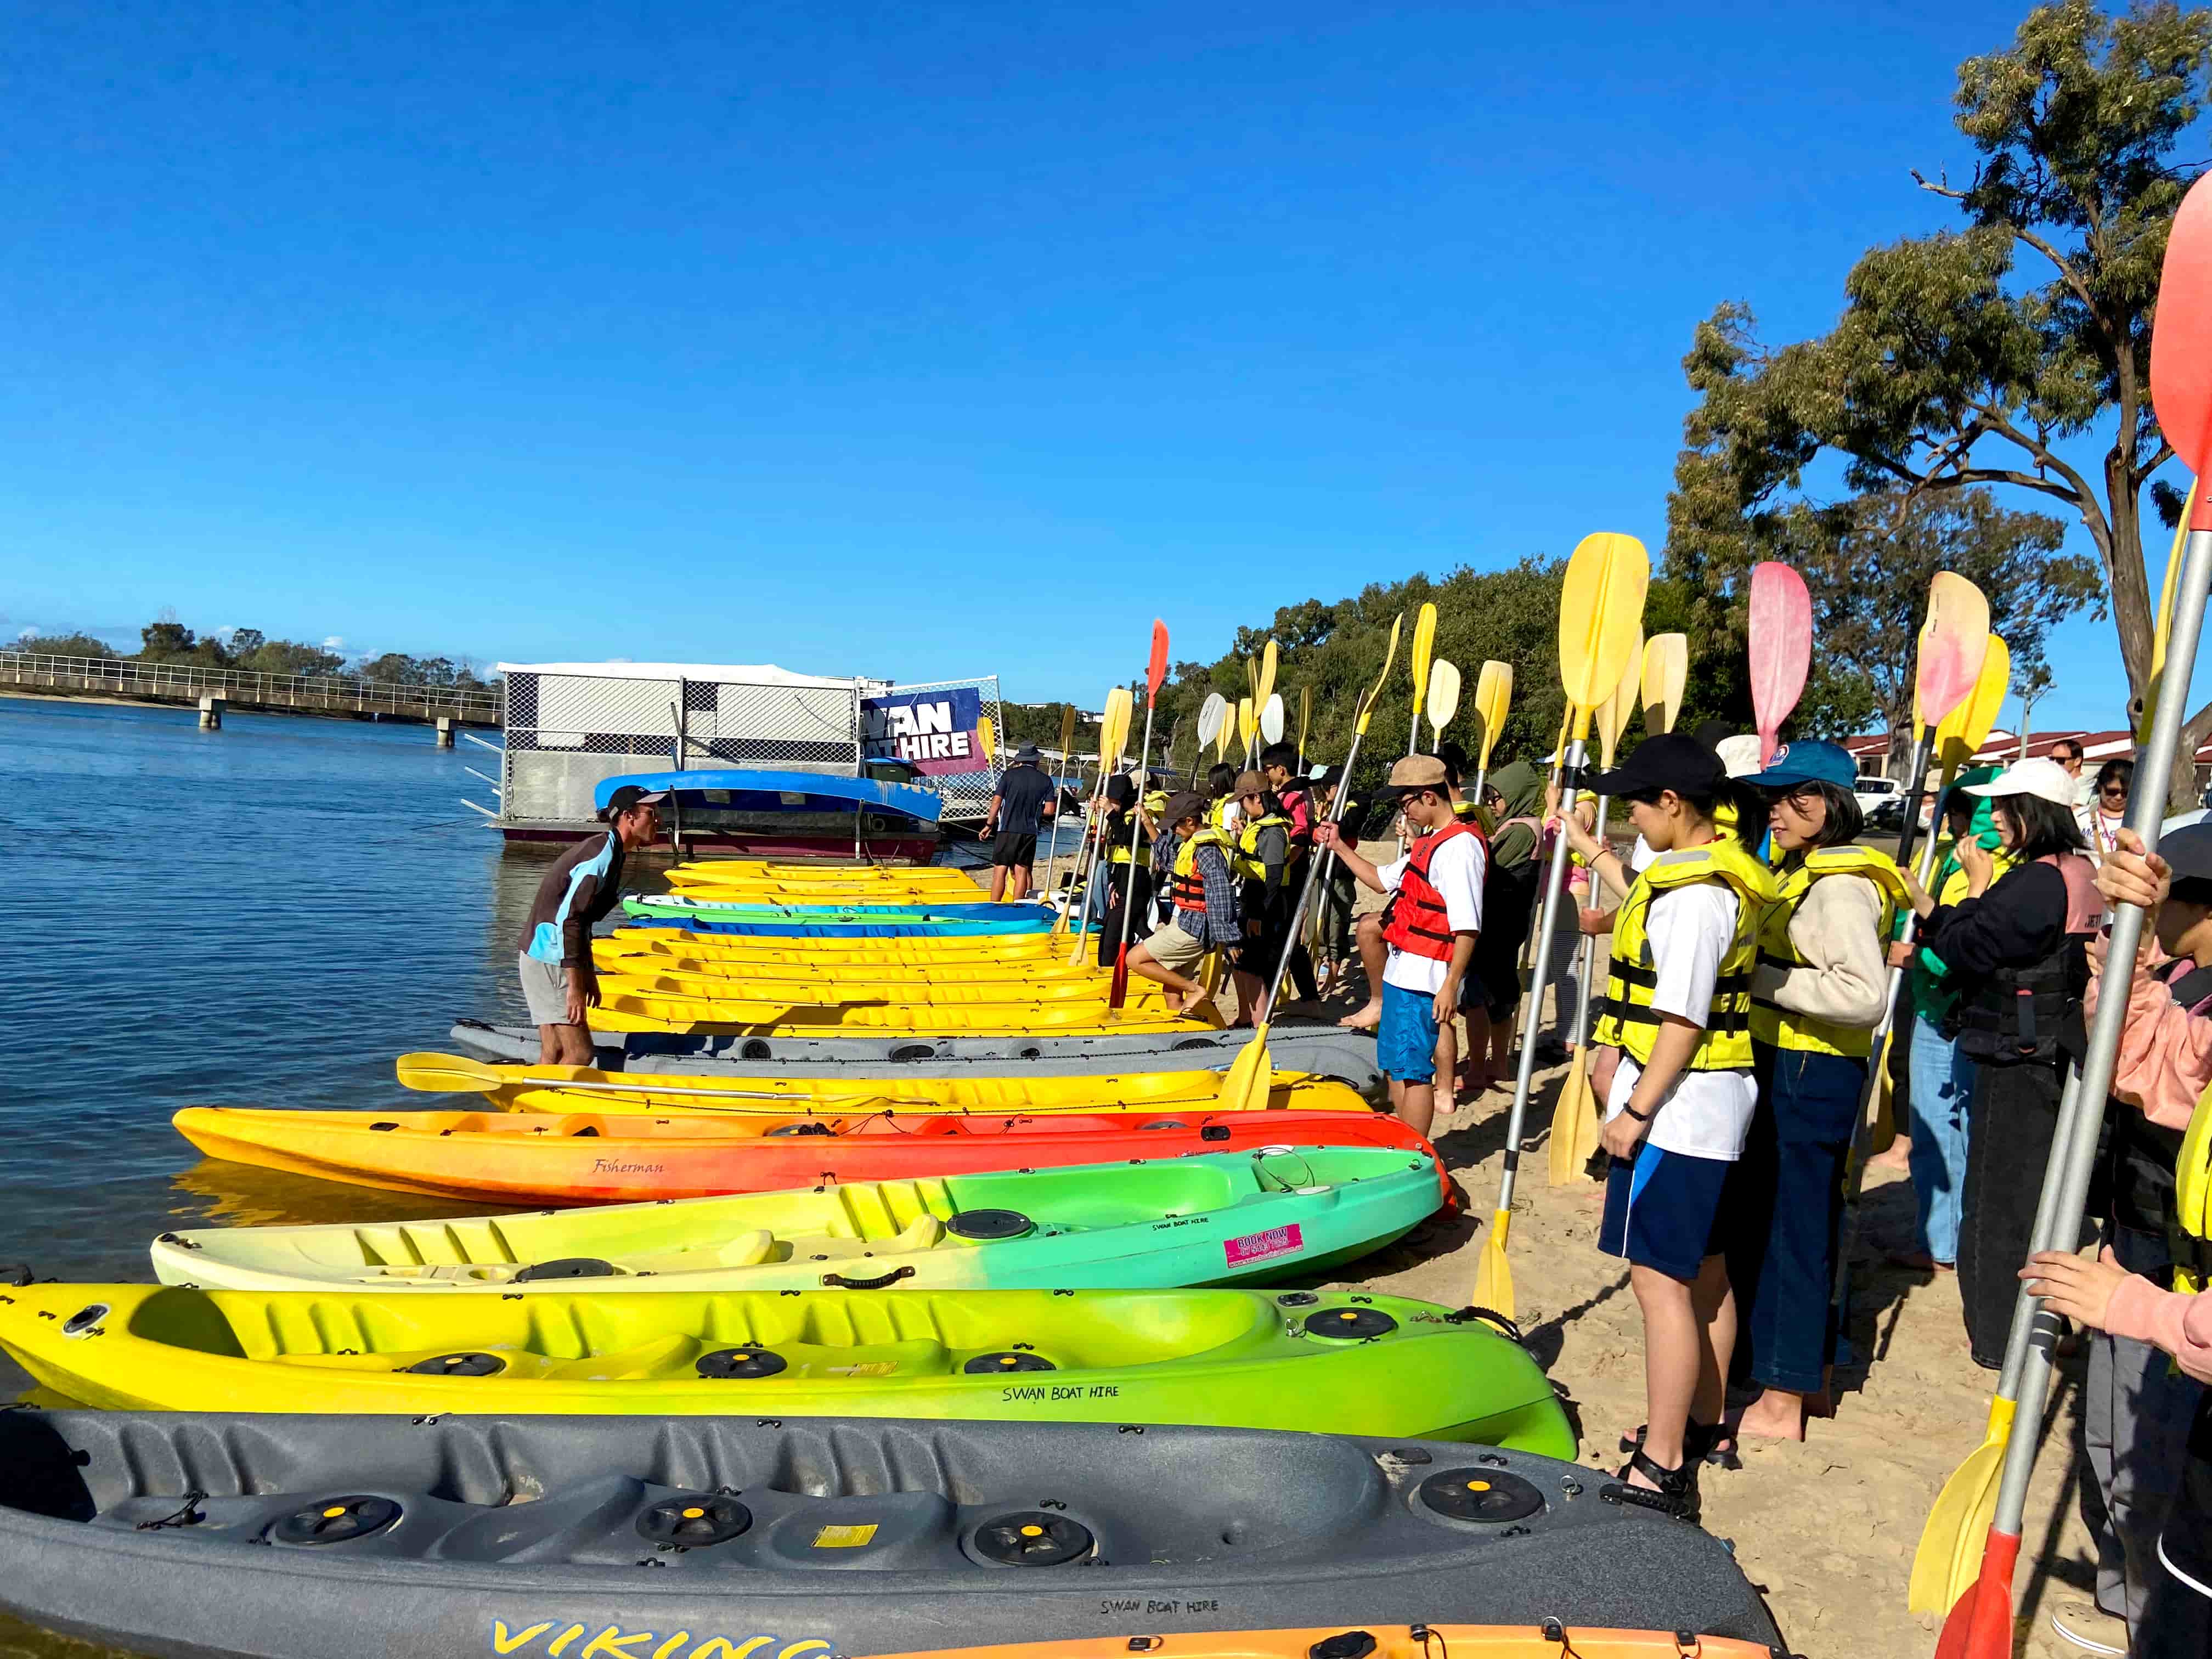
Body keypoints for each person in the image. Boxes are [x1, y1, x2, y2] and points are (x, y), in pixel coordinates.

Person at [1560, 732, 1776, 1522]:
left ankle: (1664, 1462)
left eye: (1637, 806)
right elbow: (1637, 885)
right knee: (1707, 1273)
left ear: (1673, 803)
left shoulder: (1695, 899)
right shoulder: (1703, 870)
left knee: (1660, 1284)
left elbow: (1682, 1021)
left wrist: (1633, 1114)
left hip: (1679, 1113)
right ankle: (1702, 1423)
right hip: (1709, 1106)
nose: (1632, 820)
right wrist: (1585, 844)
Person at [2022, 823, 2207, 1652]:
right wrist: (2129, 952)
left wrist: (2149, 1309)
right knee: (2111, 1439)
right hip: (2142, 1241)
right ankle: (2132, 1602)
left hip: (2178, 1281)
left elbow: (2148, 1073)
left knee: (2152, 1462)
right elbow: (2128, 1056)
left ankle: (2151, 1614)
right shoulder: (2187, 983)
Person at [1725, 741, 1903, 1443]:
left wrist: (1760, 979)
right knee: (1785, 1227)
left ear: (1829, 804)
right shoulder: (1806, 871)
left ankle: (1783, 1401)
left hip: (1812, 1072)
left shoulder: (1838, 885)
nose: (1776, 810)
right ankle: (1806, 1376)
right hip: (1794, 1065)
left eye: (1793, 797)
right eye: (1773, 797)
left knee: (1794, 1235)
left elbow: (1863, 997)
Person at [1902, 756, 2101, 1368]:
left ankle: (1998, 1340)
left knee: (1996, 1204)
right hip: (2051, 1049)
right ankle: (2039, 1321)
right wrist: (1938, 908)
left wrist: (1972, 889)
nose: (1996, 820)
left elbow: (1968, 949)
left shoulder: (2035, 882)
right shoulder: (2079, 870)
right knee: (2035, 1198)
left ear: (2031, 814)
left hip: (2017, 1057)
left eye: (2005, 809)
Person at [1313, 755, 1483, 1137]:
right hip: (1400, 970)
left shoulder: (1460, 848)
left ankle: (1414, 1150)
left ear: (1429, 797)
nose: (1403, 812)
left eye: (1405, 803)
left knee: (1414, 1071)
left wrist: (1450, 985)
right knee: (1393, 1063)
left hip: (1425, 977)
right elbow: (1379, 880)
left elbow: (1467, 927)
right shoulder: (1429, 844)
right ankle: (1400, 1138)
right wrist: (1338, 846)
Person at [1888, 768, 2005, 1273]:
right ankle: (1938, 1243)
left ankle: (1969, 1240)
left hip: (1975, 1013)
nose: (1956, 823)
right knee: (1932, 1132)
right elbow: (1918, 915)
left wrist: (1919, 958)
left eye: (1962, 813)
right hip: (1932, 1011)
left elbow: (1973, 946)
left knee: (1970, 1134)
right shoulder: (1940, 857)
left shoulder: (2004, 868)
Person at [517, 785, 665, 1064]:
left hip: (543, 955)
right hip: (550, 958)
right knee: (579, 1053)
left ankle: (540, 1091)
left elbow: (582, 921)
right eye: (651, 813)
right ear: (629, 817)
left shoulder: (612, 850)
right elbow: (570, 920)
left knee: (555, 1051)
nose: (659, 820)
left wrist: (588, 974)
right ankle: (554, 1093)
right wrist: (575, 986)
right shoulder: (602, 855)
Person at [1126, 789, 1239, 1018]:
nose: (1173, 831)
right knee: (1171, 991)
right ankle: (1184, 1022)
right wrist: (1148, 823)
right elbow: (1170, 862)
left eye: (1175, 826)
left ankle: (1195, 990)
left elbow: (1220, 895)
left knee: (1134, 959)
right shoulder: (1190, 845)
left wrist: (1229, 940)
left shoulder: (1207, 852)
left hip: (1195, 927)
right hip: (1188, 920)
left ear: (1190, 821)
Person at [1228, 771, 1295, 1024]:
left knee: (1253, 966)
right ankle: (1247, 1018)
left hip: (1267, 902)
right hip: (1254, 896)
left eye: (1243, 801)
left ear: (1256, 798)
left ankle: (1259, 1025)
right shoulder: (1260, 825)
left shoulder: (1273, 831)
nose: (1242, 806)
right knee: (1244, 963)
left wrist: (1258, 914)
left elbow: (1274, 877)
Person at [1086, 772, 1154, 969]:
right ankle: (1143, 963)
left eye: (1113, 801)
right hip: (1121, 881)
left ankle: (1111, 968)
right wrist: (1113, 884)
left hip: (1136, 882)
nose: (1109, 805)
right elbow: (1103, 854)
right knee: (1132, 927)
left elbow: (1127, 839)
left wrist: (1110, 812)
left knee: (1113, 935)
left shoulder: (1137, 815)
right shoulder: (1116, 818)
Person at [983, 744, 1057, 902]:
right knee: (1022, 870)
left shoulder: (1009, 776)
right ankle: (1018, 906)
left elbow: (996, 802)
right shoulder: (1046, 780)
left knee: (1000, 870)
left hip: (1007, 828)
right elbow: (1050, 810)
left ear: (1020, 759)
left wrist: (989, 824)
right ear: (1037, 761)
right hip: (1029, 831)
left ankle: (994, 905)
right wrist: (1035, 810)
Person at [2080, 757, 2135, 860]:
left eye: (2125, 793)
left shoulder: (2140, 821)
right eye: (2112, 792)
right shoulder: (2078, 817)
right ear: (2100, 786)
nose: (2118, 797)